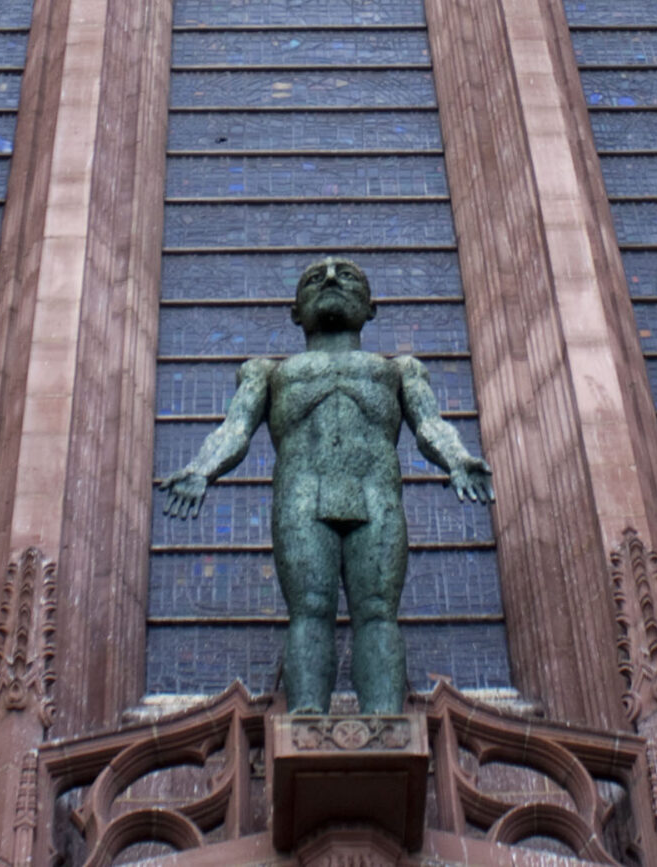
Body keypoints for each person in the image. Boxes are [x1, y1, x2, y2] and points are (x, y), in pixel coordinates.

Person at [158, 256, 493, 713]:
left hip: (375, 496)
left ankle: (384, 722)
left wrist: (458, 459)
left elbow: (431, 424)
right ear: (295, 312)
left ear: (371, 309)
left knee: (377, 612)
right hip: (302, 496)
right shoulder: (268, 372)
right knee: (309, 611)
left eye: (347, 276)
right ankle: (306, 719)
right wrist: (200, 469)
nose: (332, 279)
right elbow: (234, 430)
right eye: (315, 278)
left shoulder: (398, 371)